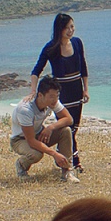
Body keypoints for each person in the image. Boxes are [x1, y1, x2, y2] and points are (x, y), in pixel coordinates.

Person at [27, 13, 89, 172]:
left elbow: (83, 68)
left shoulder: (77, 43)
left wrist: (86, 89)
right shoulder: (51, 47)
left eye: (72, 27)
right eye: (67, 27)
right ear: (59, 29)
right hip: (61, 93)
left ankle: (64, 156)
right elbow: (36, 71)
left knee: (74, 127)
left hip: (76, 91)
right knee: (67, 125)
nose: (71, 31)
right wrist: (34, 91)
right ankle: (75, 162)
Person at [11, 75, 79, 182]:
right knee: (36, 154)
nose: (55, 99)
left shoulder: (53, 102)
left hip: (39, 133)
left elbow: (69, 119)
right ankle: (21, 165)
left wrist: (50, 127)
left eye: (57, 95)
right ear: (40, 95)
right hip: (20, 139)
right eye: (51, 96)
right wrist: (54, 154)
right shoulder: (25, 109)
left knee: (66, 131)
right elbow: (31, 141)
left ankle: (67, 171)